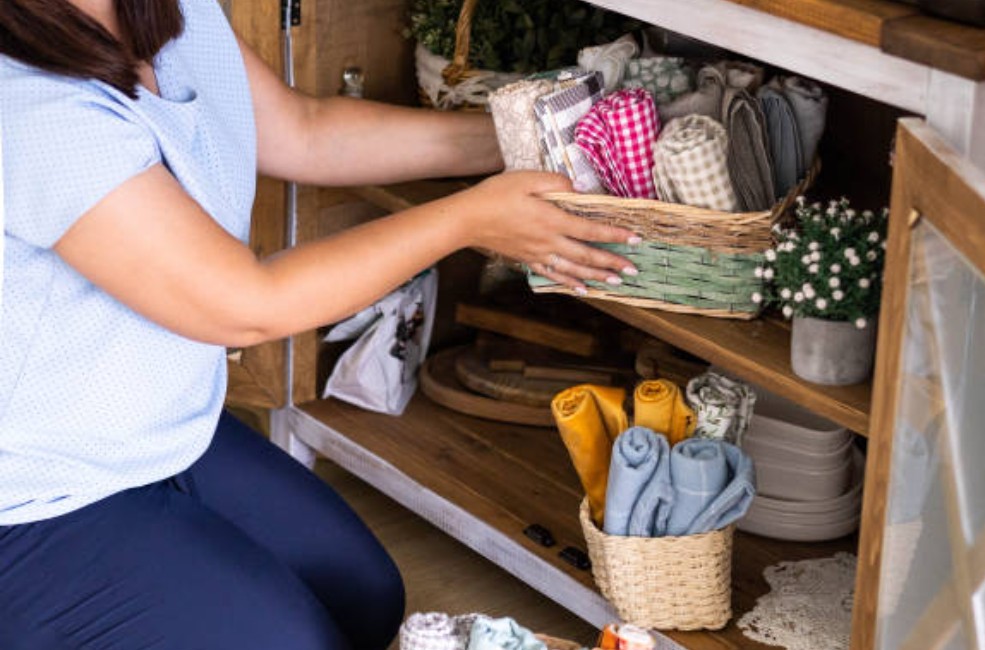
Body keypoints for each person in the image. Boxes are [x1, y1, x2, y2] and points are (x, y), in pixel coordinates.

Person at [0, 0, 639, 648]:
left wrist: (524, 140)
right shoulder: (27, 102)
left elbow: (305, 132)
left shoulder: (167, 9)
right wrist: (467, 219)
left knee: (366, 598)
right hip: (34, 492)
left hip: (159, 430)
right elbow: (246, 304)